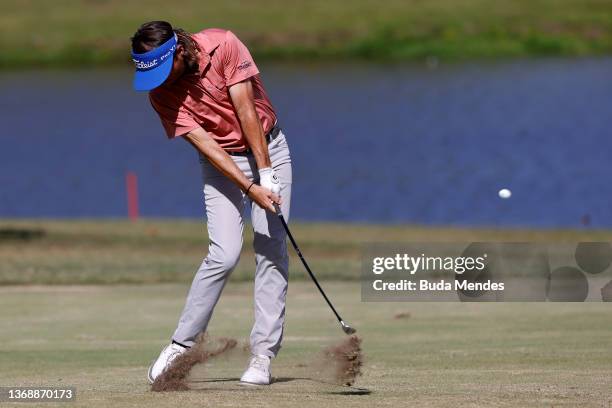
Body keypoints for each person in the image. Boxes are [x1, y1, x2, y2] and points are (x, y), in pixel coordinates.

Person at [130, 21, 292, 386]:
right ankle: (180, 344)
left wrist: (264, 174)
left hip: (269, 147)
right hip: (221, 162)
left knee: (270, 249)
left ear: (179, 52)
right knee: (224, 253)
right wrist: (250, 189)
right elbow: (206, 145)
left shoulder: (224, 45)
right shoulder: (160, 94)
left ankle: (262, 356)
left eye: (160, 69)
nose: (157, 81)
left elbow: (246, 110)